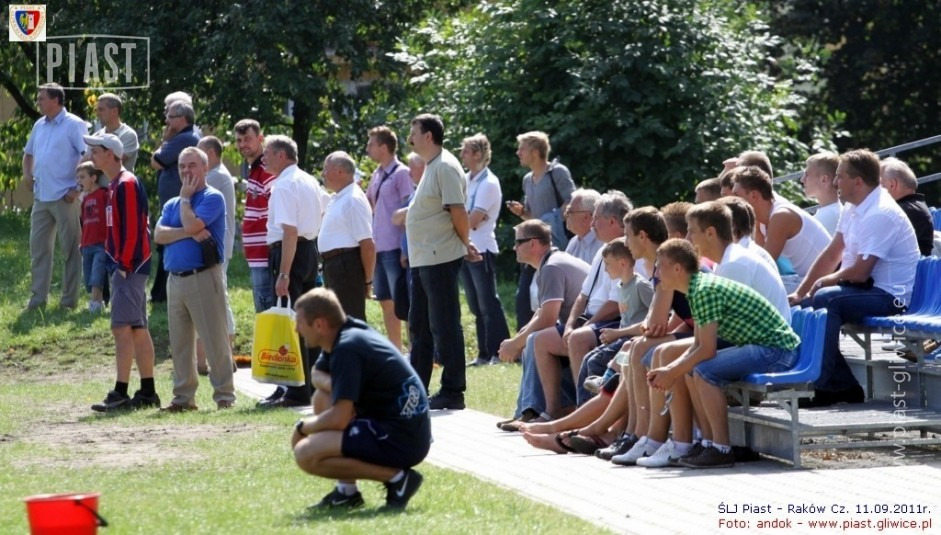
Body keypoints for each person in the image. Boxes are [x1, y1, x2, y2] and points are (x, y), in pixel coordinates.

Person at [646, 239, 800, 469]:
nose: (656, 274)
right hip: (764, 347)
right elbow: (698, 344)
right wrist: (671, 370)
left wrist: (671, 372)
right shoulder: (696, 289)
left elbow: (706, 350)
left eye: (659, 267)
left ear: (677, 268)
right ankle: (708, 443)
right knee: (693, 369)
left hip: (776, 351)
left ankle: (721, 449)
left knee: (704, 371)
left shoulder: (704, 291)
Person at [789, 149, 920, 406]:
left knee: (827, 299)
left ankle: (826, 386)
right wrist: (800, 292)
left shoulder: (880, 212)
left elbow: (860, 273)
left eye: (840, 176)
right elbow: (831, 254)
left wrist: (826, 282)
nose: (835, 182)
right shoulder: (852, 206)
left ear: (857, 181)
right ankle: (842, 385)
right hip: (865, 290)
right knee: (802, 306)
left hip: (890, 296)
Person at [291, 288, 430, 510]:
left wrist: (302, 427)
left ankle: (398, 479)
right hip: (405, 429)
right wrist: (341, 386)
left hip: (402, 438)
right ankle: (347, 492)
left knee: (306, 453)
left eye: (299, 322)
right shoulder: (347, 331)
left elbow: (339, 419)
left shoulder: (347, 348)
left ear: (319, 324)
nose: (296, 329)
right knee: (322, 397)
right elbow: (317, 374)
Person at [405, 113, 480, 410]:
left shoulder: (445, 166)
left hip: (439, 258)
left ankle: (453, 390)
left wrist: (464, 243)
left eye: (414, 132)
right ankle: (416, 388)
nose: (410, 137)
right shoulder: (432, 166)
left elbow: (458, 212)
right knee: (420, 326)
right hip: (424, 259)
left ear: (428, 136)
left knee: (444, 325)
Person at [154, 147, 235, 411]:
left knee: (214, 340)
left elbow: (191, 225)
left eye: (192, 165)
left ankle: (224, 396)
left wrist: (187, 201)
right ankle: (183, 398)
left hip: (203, 276)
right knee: (180, 343)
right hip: (175, 279)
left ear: (205, 168)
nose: (186, 171)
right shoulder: (171, 203)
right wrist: (187, 231)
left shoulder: (212, 197)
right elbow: (159, 235)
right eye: (182, 166)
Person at [85, 133, 159, 412]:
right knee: (137, 328)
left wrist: (124, 264)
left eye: (96, 150)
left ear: (111, 154)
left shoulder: (125, 183)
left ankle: (120, 392)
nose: (91, 154)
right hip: (129, 265)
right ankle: (148, 392)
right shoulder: (117, 183)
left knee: (121, 328)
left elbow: (132, 228)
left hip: (130, 266)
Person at [497, 220, 588, 429]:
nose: (514, 247)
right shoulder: (550, 264)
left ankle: (537, 411)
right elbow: (543, 312)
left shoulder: (551, 267)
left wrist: (516, 343)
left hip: (588, 328)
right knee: (530, 336)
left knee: (535, 340)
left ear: (533, 243)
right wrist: (519, 337)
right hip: (580, 327)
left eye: (518, 242)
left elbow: (547, 319)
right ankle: (531, 410)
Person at [259, 135, 326, 408]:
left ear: (282, 155)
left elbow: (289, 231)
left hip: (290, 253)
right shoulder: (309, 180)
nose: (263, 158)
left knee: (294, 321)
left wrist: (284, 273)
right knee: (308, 319)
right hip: (309, 250)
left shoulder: (285, 185)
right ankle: (310, 385)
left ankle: (297, 391)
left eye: (267, 153)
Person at [22, 82, 88, 310]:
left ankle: (68, 301)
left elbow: (87, 155)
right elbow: (28, 154)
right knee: (39, 249)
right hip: (41, 197)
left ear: (55, 100)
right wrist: (27, 175)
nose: (38, 102)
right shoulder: (39, 125)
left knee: (71, 250)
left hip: (65, 197)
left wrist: (77, 189)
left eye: (41, 98)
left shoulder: (74, 124)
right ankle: (37, 299)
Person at [506, 131, 576, 329]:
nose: (518, 153)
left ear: (535, 152)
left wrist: (549, 219)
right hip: (532, 247)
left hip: (556, 247)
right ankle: (525, 342)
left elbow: (573, 202)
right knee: (524, 299)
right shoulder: (527, 179)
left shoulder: (557, 172)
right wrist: (521, 212)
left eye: (522, 149)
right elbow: (532, 217)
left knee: (552, 298)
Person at [731, 165, 831, 292]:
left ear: (754, 196)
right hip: (806, 278)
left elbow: (763, 266)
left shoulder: (781, 216)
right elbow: (756, 258)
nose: (732, 201)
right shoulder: (762, 217)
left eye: (736, 196)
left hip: (825, 280)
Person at [459, 133, 511, 367]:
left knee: (488, 302)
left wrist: (460, 217)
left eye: (466, 151)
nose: (462, 155)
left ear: (478, 154)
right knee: (475, 305)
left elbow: (473, 220)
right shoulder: (466, 180)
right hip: (463, 247)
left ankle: (500, 352)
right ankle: (483, 353)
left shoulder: (489, 182)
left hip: (482, 249)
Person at [365, 126, 413, 351]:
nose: (368, 148)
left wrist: (405, 248)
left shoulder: (402, 173)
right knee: (385, 300)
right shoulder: (376, 174)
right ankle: (396, 350)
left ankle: (415, 350)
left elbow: (410, 210)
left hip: (395, 247)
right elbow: (370, 204)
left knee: (404, 301)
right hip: (378, 248)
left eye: (371, 144)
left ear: (384, 147)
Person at [150, 99, 200, 303]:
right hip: (174, 201)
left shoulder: (184, 138)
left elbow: (156, 161)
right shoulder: (184, 137)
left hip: (177, 202)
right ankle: (160, 293)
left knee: (168, 243)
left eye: (170, 117)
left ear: (183, 118)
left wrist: (165, 141)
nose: (167, 121)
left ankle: (161, 295)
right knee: (166, 244)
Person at [195, 136, 237, 375]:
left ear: (210, 153)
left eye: (199, 154)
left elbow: (191, 204)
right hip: (216, 246)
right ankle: (217, 358)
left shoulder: (216, 176)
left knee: (218, 299)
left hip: (214, 248)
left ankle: (222, 357)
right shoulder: (219, 175)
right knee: (218, 298)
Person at [318, 151, 375, 321]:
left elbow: (367, 244)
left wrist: (367, 281)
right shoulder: (339, 198)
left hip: (345, 267)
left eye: (326, 169)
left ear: (340, 171)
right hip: (335, 266)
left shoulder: (353, 200)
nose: (323, 174)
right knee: (335, 321)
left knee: (349, 321)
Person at [234, 119, 276, 313]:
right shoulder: (255, 170)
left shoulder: (267, 170)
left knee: (267, 313)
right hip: (257, 255)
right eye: (239, 140)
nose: (243, 144)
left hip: (265, 254)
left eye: (248, 139)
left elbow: (276, 212)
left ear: (260, 139)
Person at [880, 157, 934, 256]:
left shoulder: (903, 211)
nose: (874, 192)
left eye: (878, 185)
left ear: (892, 185)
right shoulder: (913, 207)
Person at [77, 162, 109, 313]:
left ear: (93, 178)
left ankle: (94, 305)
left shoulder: (104, 194)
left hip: (101, 244)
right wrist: (81, 243)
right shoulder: (85, 200)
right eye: (78, 178)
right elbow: (84, 223)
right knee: (89, 278)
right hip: (86, 244)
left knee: (97, 276)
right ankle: (99, 302)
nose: (79, 181)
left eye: (82, 177)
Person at [93, 93, 139, 171]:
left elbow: (113, 164)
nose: (97, 114)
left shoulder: (128, 135)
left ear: (115, 111)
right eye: (96, 110)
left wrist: (91, 165)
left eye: (101, 110)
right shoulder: (96, 136)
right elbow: (83, 165)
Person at [800, 152, 840, 236]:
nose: (802, 179)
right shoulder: (833, 212)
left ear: (824, 179)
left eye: (807, 174)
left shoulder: (828, 216)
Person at [563, 188, 603, 264]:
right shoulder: (573, 242)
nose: (565, 214)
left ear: (586, 217)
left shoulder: (603, 245)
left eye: (569, 211)